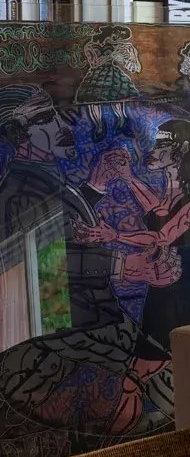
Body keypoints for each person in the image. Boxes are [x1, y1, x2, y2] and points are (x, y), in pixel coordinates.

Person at [76, 120, 190, 354]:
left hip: (187, 288)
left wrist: (114, 235)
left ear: (183, 148)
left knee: (187, 354)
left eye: (161, 144)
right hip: (162, 282)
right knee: (154, 353)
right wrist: (128, 177)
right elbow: (156, 211)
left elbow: (160, 237)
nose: (152, 151)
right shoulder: (173, 192)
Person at [0, 85, 121, 329]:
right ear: (17, 134)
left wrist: (94, 188)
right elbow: (50, 270)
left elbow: (62, 221)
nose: (63, 126)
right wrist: (124, 265)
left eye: (55, 114)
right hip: (75, 332)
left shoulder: (42, 178)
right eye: (45, 118)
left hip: (90, 325)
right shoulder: (23, 194)